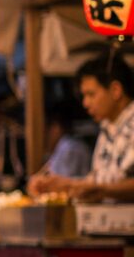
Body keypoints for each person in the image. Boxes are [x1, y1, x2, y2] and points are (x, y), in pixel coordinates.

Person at [32, 54, 134, 202]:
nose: (85, 103)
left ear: (115, 90)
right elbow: (101, 180)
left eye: (91, 94)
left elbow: (103, 187)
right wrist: (63, 185)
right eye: (84, 96)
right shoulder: (108, 128)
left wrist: (96, 189)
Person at [39, 109, 91, 180]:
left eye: (46, 132)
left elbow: (63, 184)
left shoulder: (69, 147)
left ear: (56, 128)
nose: (44, 138)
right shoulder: (62, 146)